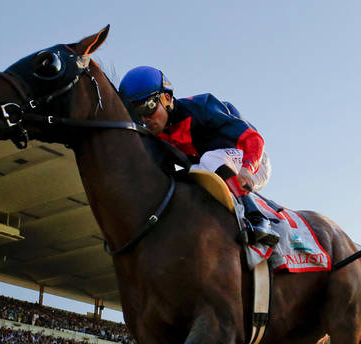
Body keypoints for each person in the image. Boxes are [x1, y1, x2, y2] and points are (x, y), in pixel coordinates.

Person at [118, 66, 279, 246]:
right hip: (213, 167)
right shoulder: (156, 136)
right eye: (135, 115)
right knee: (190, 175)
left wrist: (248, 169)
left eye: (148, 107)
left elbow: (253, 139)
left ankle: (257, 218)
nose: (143, 120)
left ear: (167, 99)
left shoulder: (202, 107)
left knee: (209, 160)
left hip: (252, 158)